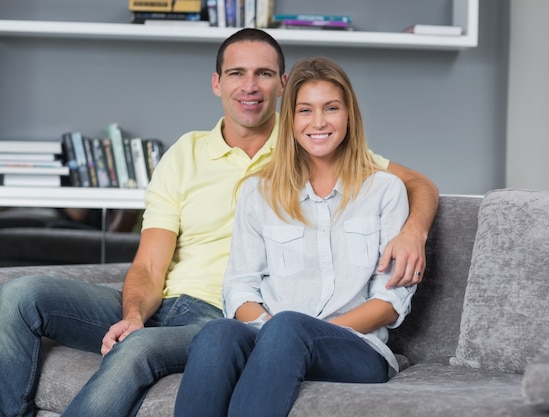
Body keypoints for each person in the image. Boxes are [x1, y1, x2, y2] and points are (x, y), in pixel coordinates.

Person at [0, 28, 437, 417]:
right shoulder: (199, 159)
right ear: (217, 82)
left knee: (164, 346)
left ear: (282, 85)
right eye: (236, 74)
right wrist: (134, 314)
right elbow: (153, 266)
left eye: (264, 74)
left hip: (230, 315)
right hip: (190, 307)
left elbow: (413, 184)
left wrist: (413, 231)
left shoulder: (322, 149)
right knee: (19, 295)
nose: (250, 86)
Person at [174, 56, 417, 417]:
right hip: (273, 335)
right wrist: (273, 333)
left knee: (289, 327)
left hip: (356, 348)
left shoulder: (385, 190)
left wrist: (300, 332)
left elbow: (390, 300)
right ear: (290, 119)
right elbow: (239, 286)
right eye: (305, 110)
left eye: (331, 108)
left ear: (349, 115)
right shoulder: (259, 191)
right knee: (217, 334)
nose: (318, 122)